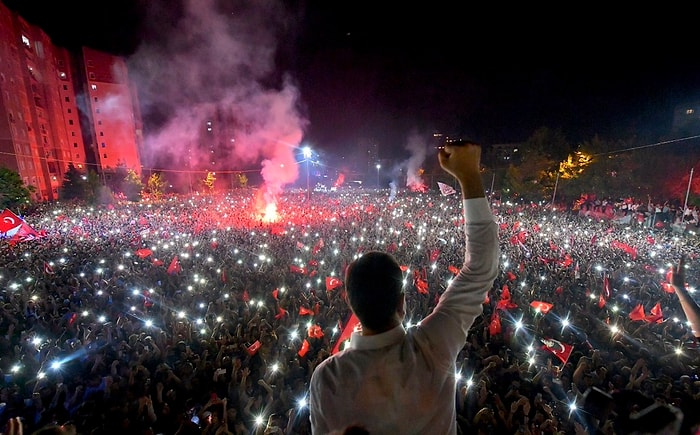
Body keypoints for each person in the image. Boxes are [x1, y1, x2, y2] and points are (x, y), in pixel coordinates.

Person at [308, 140, 500, 434]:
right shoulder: (433, 347)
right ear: (402, 301)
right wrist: (469, 176)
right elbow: (481, 268)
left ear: (350, 303)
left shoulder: (328, 378)